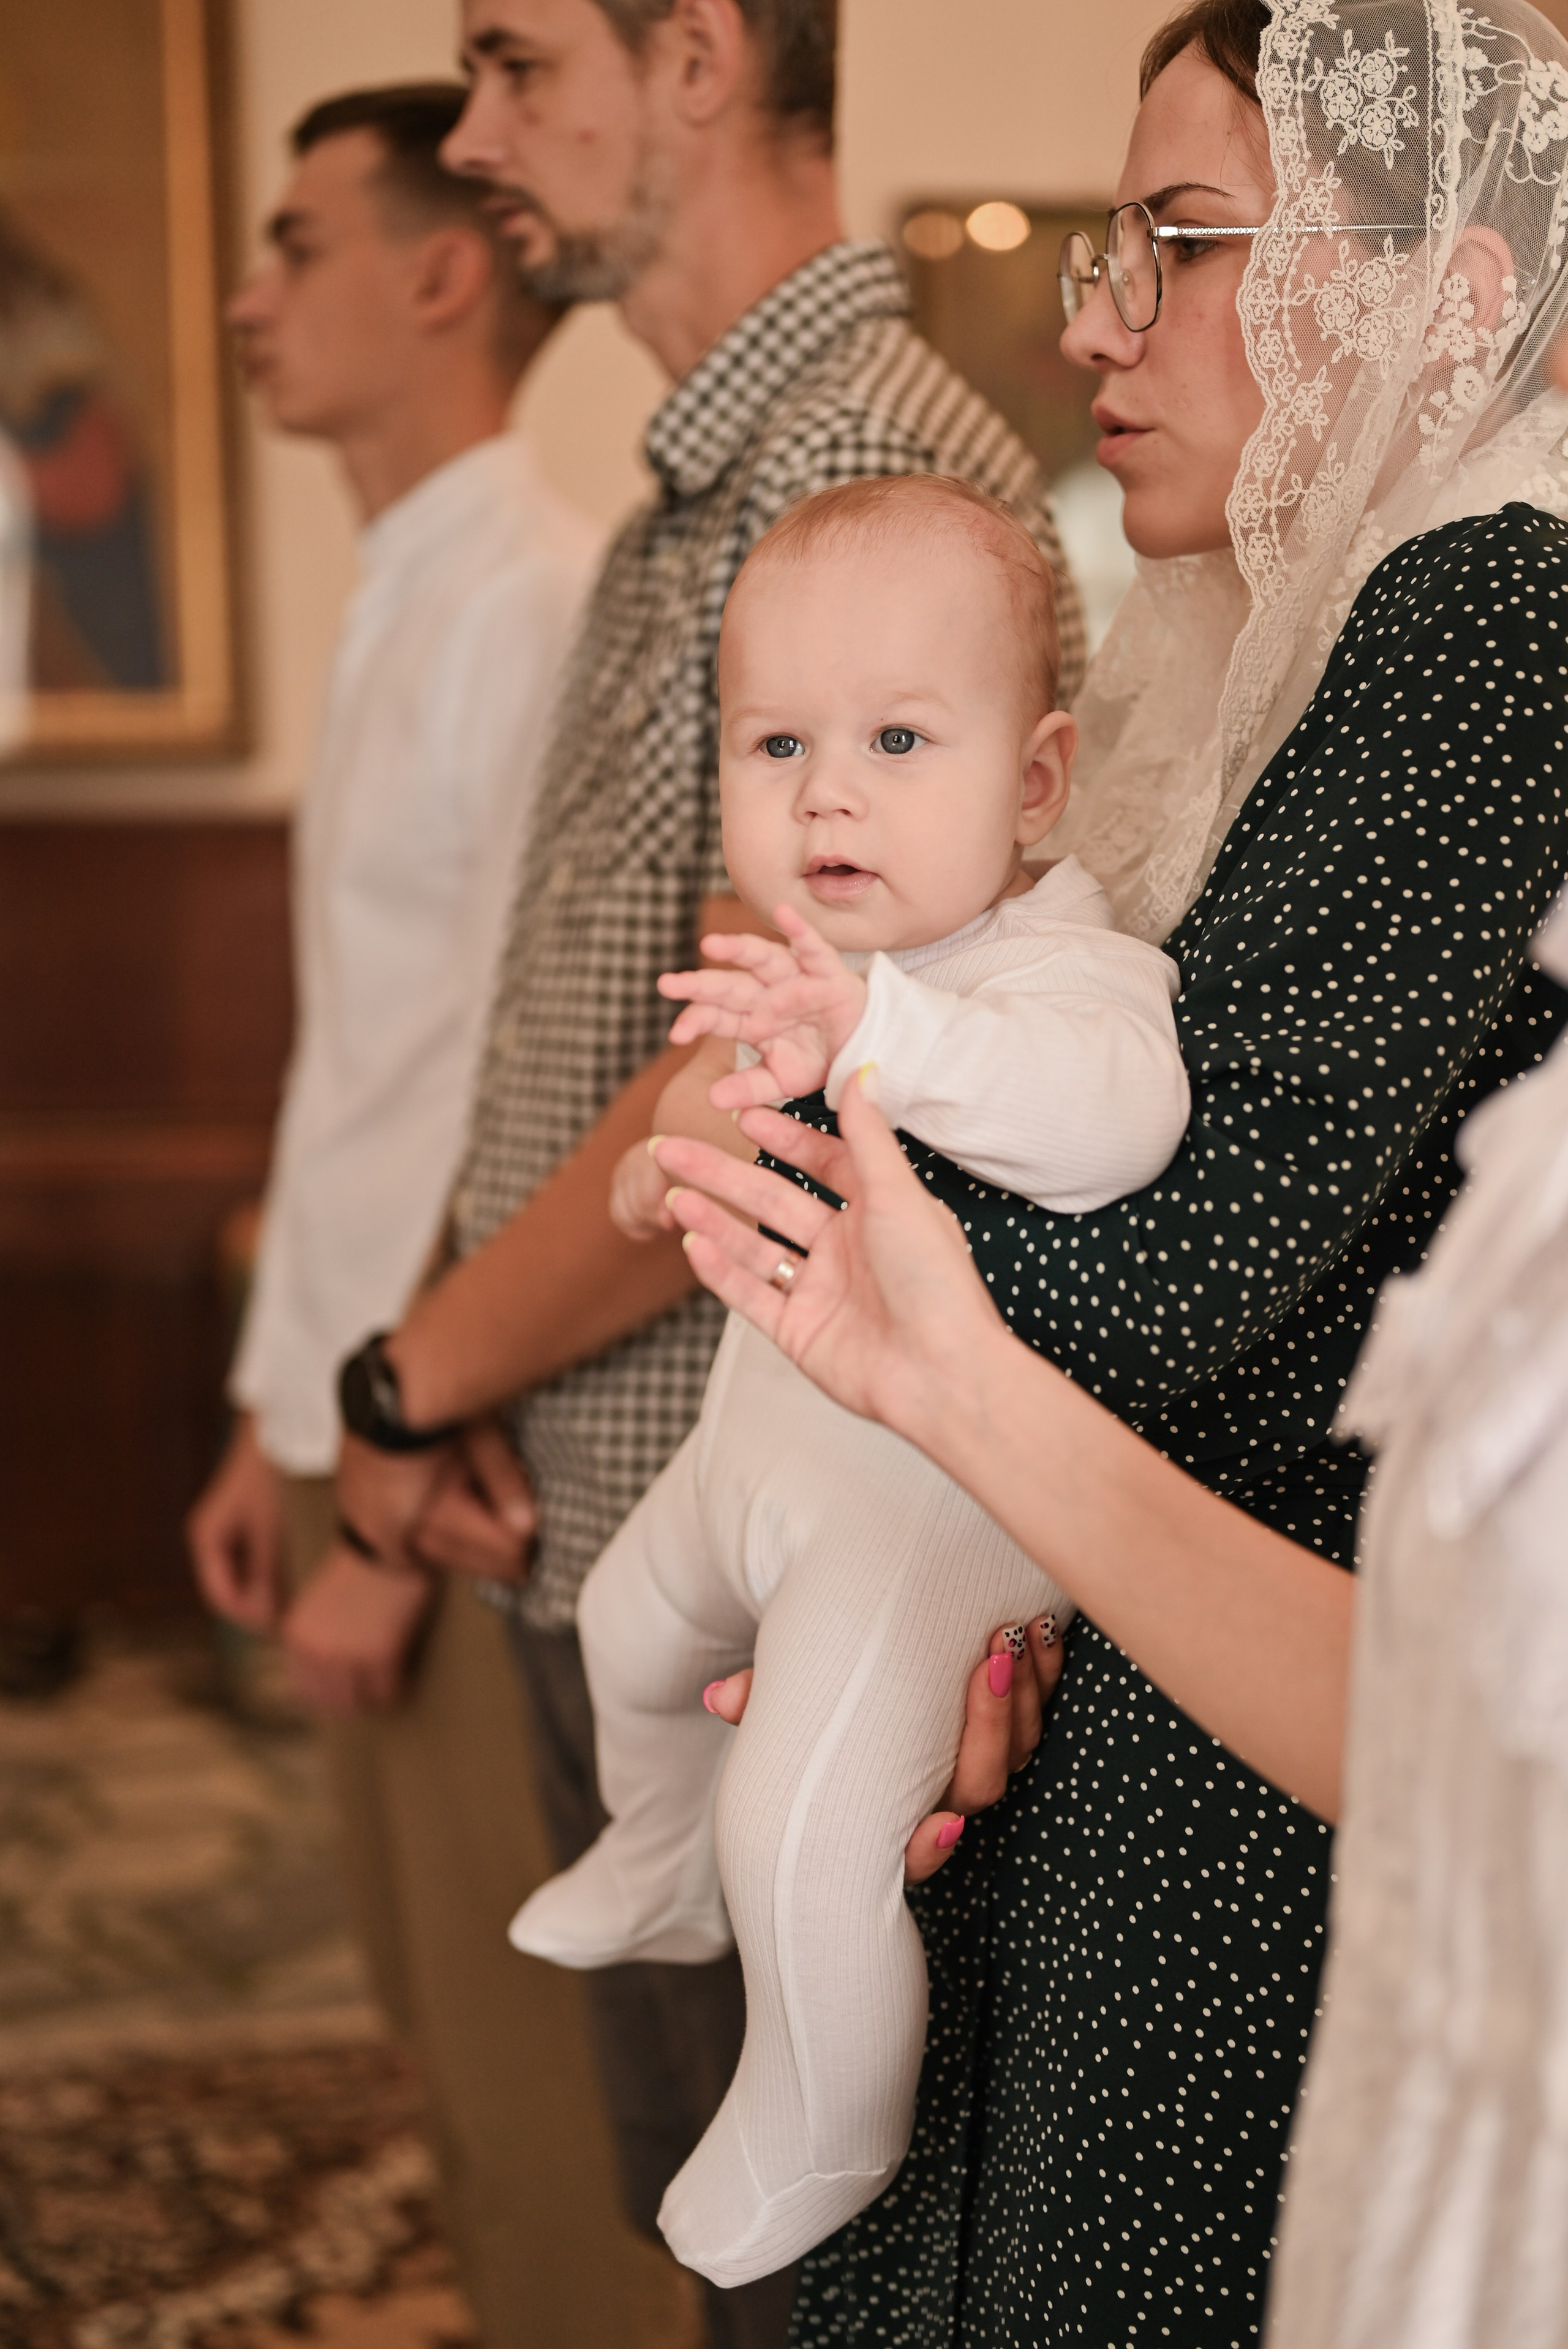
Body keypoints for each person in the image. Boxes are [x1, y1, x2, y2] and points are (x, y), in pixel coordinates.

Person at [643, 0, 1568, 2336]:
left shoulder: (1496, 600)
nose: (1095, 316)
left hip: (1263, 1726)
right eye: (1107, 244)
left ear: (1442, 286)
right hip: (1116, 1627)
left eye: (1181, 241)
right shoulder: (1264, 624)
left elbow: (1172, 1246)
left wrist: (801, 1165)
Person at [321, 7, 1085, 2343]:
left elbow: (752, 1071)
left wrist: (405, 1378)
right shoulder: (708, 478)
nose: (473, 132)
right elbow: (594, 1024)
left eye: (512, 55)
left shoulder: (851, 477)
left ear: (695, 58)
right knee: (674, 2174)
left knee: (772, 2247)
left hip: (758, 1456)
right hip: (626, 1465)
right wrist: (452, 1374)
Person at [654, 881, 1568, 2348]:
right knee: (669, 1652)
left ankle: (815, 2107)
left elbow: (1150, 1208)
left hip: (1267, 1772)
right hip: (1104, 1595)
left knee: (799, 1828)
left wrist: (964, 1417)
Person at [511, 473, 1188, 2287]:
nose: (828, 793)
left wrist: (884, 1031)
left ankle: (821, 2106)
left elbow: (1119, 1126)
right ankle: (649, 1853)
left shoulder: (1067, 964)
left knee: (802, 1815)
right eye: (778, 740)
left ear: (1035, 779)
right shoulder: (807, 966)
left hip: (931, 1505)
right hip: (755, 1455)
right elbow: (715, 1132)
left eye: (898, 737)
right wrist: (670, 1161)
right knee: (624, 1633)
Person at [184, 86, 617, 2348]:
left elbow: (526, 1092)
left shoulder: (541, 596)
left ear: (446, 272)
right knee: (429, 2023)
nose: (247, 298)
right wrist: (255, 1428)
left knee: (531, 2052)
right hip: (343, 1393)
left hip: (444, 1441)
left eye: (292, 243)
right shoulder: (404, 588)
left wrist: (371, 1501)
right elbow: (357, 1060)